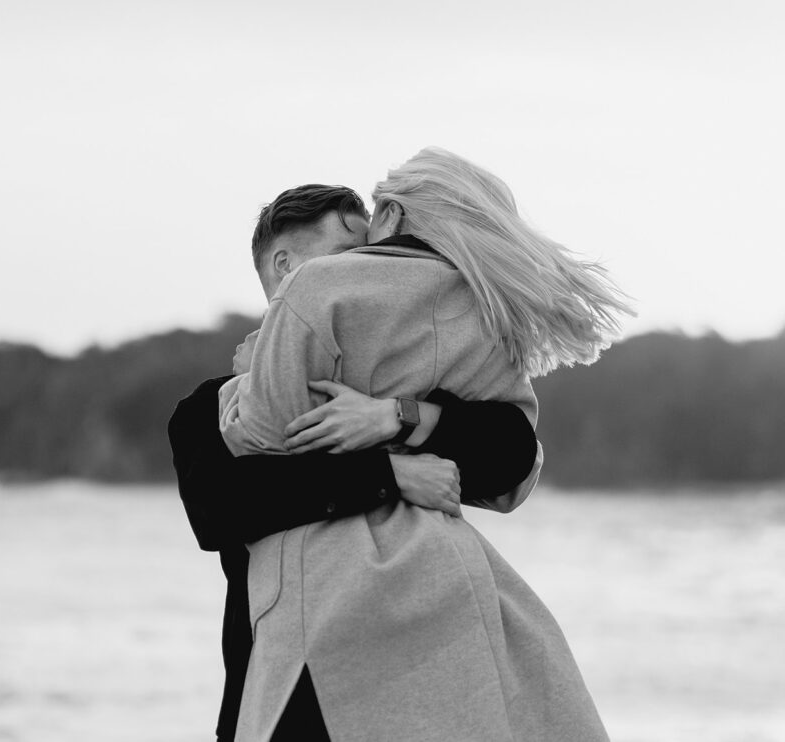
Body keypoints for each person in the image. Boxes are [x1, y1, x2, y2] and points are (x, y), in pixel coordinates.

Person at [220, 147, 633, 741]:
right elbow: (516, 468)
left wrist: (243, 380)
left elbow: (258, 437)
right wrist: (403, 440)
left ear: (391, 213)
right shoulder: (485, 314)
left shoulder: (316, 288)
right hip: (453, 579)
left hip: (336, 596)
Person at [168, 184, 541, 741]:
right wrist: (390, 475)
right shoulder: (211, 406)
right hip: (281, 683)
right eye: (348, 258)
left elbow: (512, 455)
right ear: (284, 267)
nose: (369, 276)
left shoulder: (405, 384)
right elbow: (220, 508)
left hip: (420, 674)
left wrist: (396, 416)